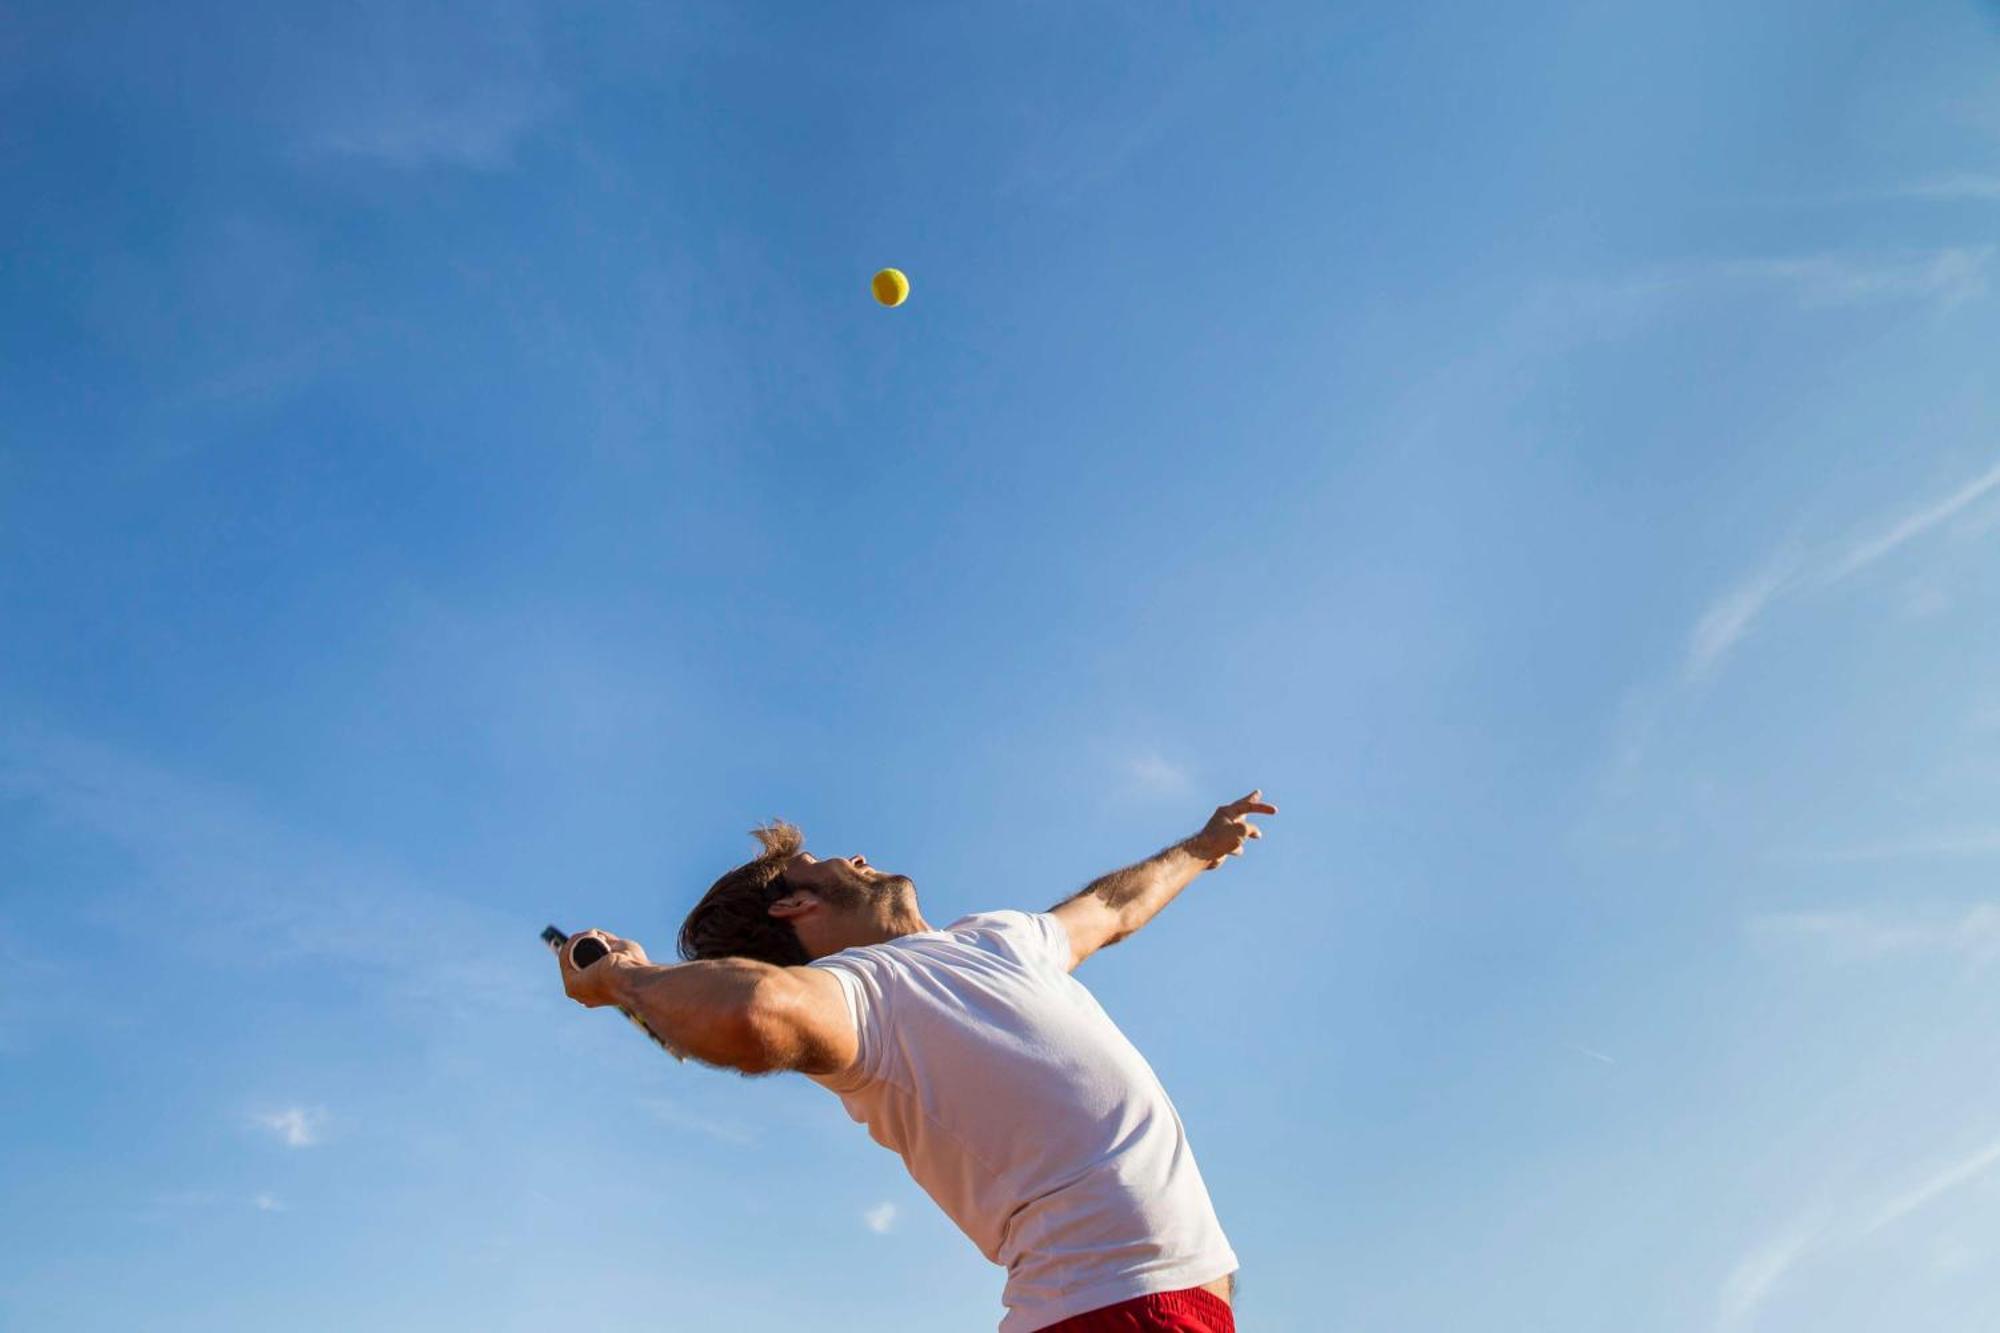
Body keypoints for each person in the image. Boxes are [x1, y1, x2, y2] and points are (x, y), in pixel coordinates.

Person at [557, 790, 1278, 1332]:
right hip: (1113, 1310)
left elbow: (1112, 907)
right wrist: (623, 978)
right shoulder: (863, 996)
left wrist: (1203, 847)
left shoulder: (997, 938)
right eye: (824, 863)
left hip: (1157, 1308)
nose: (858, 857)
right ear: (793, 907)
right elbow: (756, 1009)